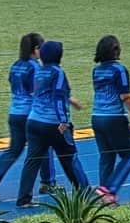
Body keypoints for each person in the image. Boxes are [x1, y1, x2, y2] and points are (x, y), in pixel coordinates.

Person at [0, 32, 56, 199]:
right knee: (44, 146)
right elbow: (37, 91)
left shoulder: (16, 65)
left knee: (14, 149)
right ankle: (47, 183)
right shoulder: (35, 67)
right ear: (36, 49)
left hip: (14, 113)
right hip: (30, 114)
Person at [17, 40, 88, 207]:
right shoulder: (58, 72)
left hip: (34, 121)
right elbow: (57, 97)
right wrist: (63, 120)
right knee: (69, 157)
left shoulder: (39, 72)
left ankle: (23, 198)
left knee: (32, 160)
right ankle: (84, 193)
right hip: (53, 124)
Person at [90, 34, 130, 204]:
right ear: (116, 50)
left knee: (106, 156)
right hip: (114, 118)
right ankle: (111, 189)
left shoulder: (96, 71)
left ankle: (104, 195)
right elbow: (126, 97)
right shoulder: (119, 70)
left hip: (96, 117)